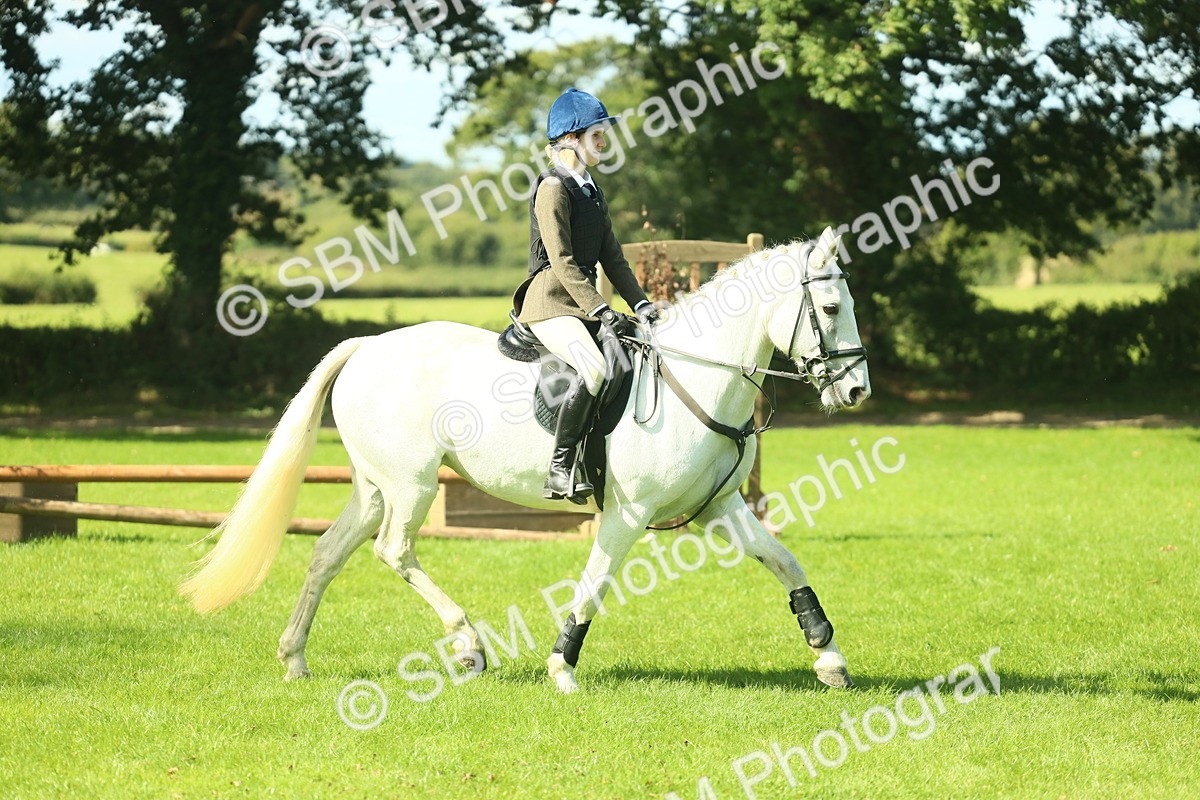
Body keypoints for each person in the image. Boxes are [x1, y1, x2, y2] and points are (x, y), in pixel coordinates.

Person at [511, 87, 661, 503]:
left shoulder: (590, 187)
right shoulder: (552, 188)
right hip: (549, 303)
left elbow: (612, 257)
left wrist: (642, 304)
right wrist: (599, 307)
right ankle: (560, 467)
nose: (603, 143)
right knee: (594, 369)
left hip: (579, 304)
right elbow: (560, 260)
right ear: (571, 137)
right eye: (598, 135)